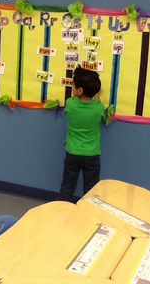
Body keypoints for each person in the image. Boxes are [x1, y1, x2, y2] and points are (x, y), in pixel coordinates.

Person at [59, 65, 105, 202]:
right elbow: (99, 107)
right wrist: (96, 94)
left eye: (74, 86)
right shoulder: (99, 108)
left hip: (72, 152)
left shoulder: (70, 104)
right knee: (91, 188)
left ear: (79, 90)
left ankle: (61, 208)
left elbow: (70, 108)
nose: (72, 88)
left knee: (67, 185)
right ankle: (89, 213)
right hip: (92, 154)